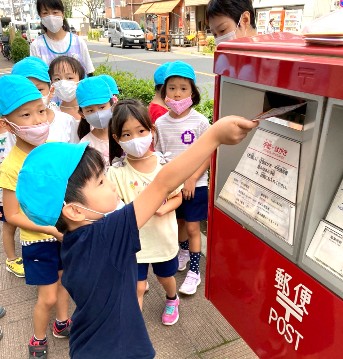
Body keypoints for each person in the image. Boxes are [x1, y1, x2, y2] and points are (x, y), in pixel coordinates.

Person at [15, 115, 258, 359]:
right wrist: (214, 136)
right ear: (74, 210)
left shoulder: (72, 238)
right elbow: (163, 183)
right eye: (100, 181)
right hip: (121, 351)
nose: (110, 185)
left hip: (87, 344)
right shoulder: (105, 235)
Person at [0, 75, 71, 359]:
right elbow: (11, 214)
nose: (38, 120)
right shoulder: (10, 166)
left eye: (40, 110)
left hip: (62, 235)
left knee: (65, 282)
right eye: (26, 115)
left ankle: (62, 323)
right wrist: (49, 229)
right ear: (7, 124)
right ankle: (37, 338)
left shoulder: (51, 151)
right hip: (37, 241)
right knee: (48, 295)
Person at [107, 99, 182, 325]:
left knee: (165, 277)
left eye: (141, 131)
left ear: (152, 130)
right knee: (138, 286)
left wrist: (162, 208)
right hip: (134, 244)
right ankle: (132, 330)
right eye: (127, 135)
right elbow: (113, 206)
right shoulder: (116, 172)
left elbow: (178, 197)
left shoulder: (164, 167)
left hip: (162, 239)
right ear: (117, 139)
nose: (136, 139)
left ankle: (172, 298)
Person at [155, 61, 210, 295]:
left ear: (193, 92)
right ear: (164, 91)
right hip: (172, 188)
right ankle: (184, 251)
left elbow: (208, 154)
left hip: (195, 185)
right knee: (177, 224)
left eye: (184, 88)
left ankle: (194, 272)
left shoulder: (199, 122)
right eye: (172, 88)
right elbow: (159, 155)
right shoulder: (159, 123)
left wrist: (191, 179)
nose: (177, 93)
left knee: (193, 227)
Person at [12, 56, 78, 143]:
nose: (32, 96)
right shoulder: (10, 128)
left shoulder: (66, 122)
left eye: (39, 90)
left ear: (51, 90)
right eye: (24, 90)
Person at [30, 0, 94, 76]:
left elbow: (89, 72)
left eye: (55, 12)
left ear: (63, 14)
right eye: (45, 13)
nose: (51, 17)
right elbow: (37, 78)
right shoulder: (36, 45)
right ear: (40, 16)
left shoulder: (78, 42)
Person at [0, 113, 21, 277]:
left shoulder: (12, 131)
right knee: (9, 224)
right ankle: (11, 259)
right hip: (3, 190)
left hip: (19, 182)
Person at [76, 76, 114, 167]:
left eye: (102, 107)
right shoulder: (85, 145)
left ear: (113, 105)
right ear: (82, 114)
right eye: (90, 110)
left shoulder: (125, 133)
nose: (98, 114)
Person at [49, 55, 86, 122]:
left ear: (80, 80)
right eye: (57, 79)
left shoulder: (90, 109)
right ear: (52, 83)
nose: (63, 83)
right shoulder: (52, 112)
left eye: (69, 78)